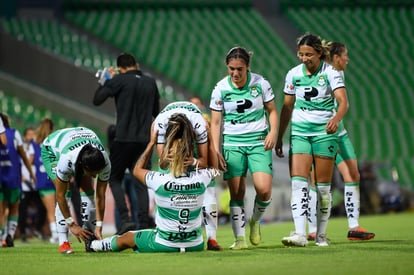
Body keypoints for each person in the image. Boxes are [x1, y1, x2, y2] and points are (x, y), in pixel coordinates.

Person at [86, 114, 218, 253]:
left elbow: (137, 170)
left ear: (169, 155)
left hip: (164, 243)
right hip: (195, 245)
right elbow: (215, 169)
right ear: (189, 155)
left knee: (128, 237)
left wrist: (151, 144)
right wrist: (208, 136)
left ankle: (94, 246)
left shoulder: (159, 179)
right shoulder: (201, 178)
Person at [275, 33, 349, 247]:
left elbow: (343, 102)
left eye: (309, 54)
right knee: (299, 184)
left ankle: (321, 235)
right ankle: (300, 233)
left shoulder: (331, 73)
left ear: (319, 53)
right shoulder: (293, 74)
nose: (304, 58)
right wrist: (280, 136)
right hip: (299, 132)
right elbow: (287, 107)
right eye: (301, 54)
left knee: (323, 188)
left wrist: (336, 118)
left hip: (324, 132)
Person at [209, 46, 278, 249]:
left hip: (258, 141)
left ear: (248, 67)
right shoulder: (220, 88)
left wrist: (273, 132)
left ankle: (255, 221)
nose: (235, 73)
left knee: (264, 190)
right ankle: (239, 239)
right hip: (233, 144)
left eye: (240, 69)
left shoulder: (261, 83)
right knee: (236, 193)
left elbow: (272, 111)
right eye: (231, 69)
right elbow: (215, 123)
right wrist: (216, 150)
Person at [307, 41, 375, 241]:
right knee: (316, 179)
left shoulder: (339, 75)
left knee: (353, 173)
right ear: (336, 57)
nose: (348, 59)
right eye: (345, 55)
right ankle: (311, 229)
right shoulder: (319, 74)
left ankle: (354, 227)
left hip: (339, 133)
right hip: (320, 133)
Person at [93, 53, 160, 234]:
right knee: (141, 181)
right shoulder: (150, 82)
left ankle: (124, 220)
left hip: (122, 138)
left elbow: (97, 100)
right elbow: (156, 111)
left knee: (114, 178)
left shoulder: (119, 80)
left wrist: (104, 81)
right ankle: (144, 224)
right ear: (136, 64)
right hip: (144, 140)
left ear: (120, 67)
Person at [153, 101, 222, 250]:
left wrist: (194, 161)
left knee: (209, 184)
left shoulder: (199, 125)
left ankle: (212, 238)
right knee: (166, 184)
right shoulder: (159, 125)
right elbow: (162, 165)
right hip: (169, 135)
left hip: (195, 136)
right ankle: (163, 230)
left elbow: (205, 163)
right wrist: (169, 158)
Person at [41, 127, 111, 254]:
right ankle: (63, 242)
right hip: (52, 150)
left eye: (98, 173)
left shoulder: (105, 162)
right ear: (82, 166)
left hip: (80, 140)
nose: (95, 176)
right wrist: (72, 224)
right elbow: (60, 196)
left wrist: (99, 226)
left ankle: (89, 239)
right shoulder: (66, 161)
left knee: (88, 189)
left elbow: (100, 196)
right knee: (65, 190)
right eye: (93, 173)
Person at [0, 113, 36, 247]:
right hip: (12, 175)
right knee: (13, 207)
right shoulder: (14, 134)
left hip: (1, 175)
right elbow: (23, 155)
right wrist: (32, 173)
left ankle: (1, 236)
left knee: (1, 208)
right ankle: (9, 235)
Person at [33, 118, 59, 244]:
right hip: (55, 178)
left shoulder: (36, 143)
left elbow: (31, 159)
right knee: (58, 208)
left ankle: (55, 235)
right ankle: (58, 233)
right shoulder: (55, 141)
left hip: (43, 180)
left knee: (50, 210)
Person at [18, 127, 46, 242]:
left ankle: (38, 229)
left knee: (43, 208)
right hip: (24, 184)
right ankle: (23, 233)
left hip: (36, 184)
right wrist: (21, 177)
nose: (31, 137)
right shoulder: (21, 148)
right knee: (22, 209)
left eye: (33, 134)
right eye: (29, 135)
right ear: (25, 137)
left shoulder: (37, 147)